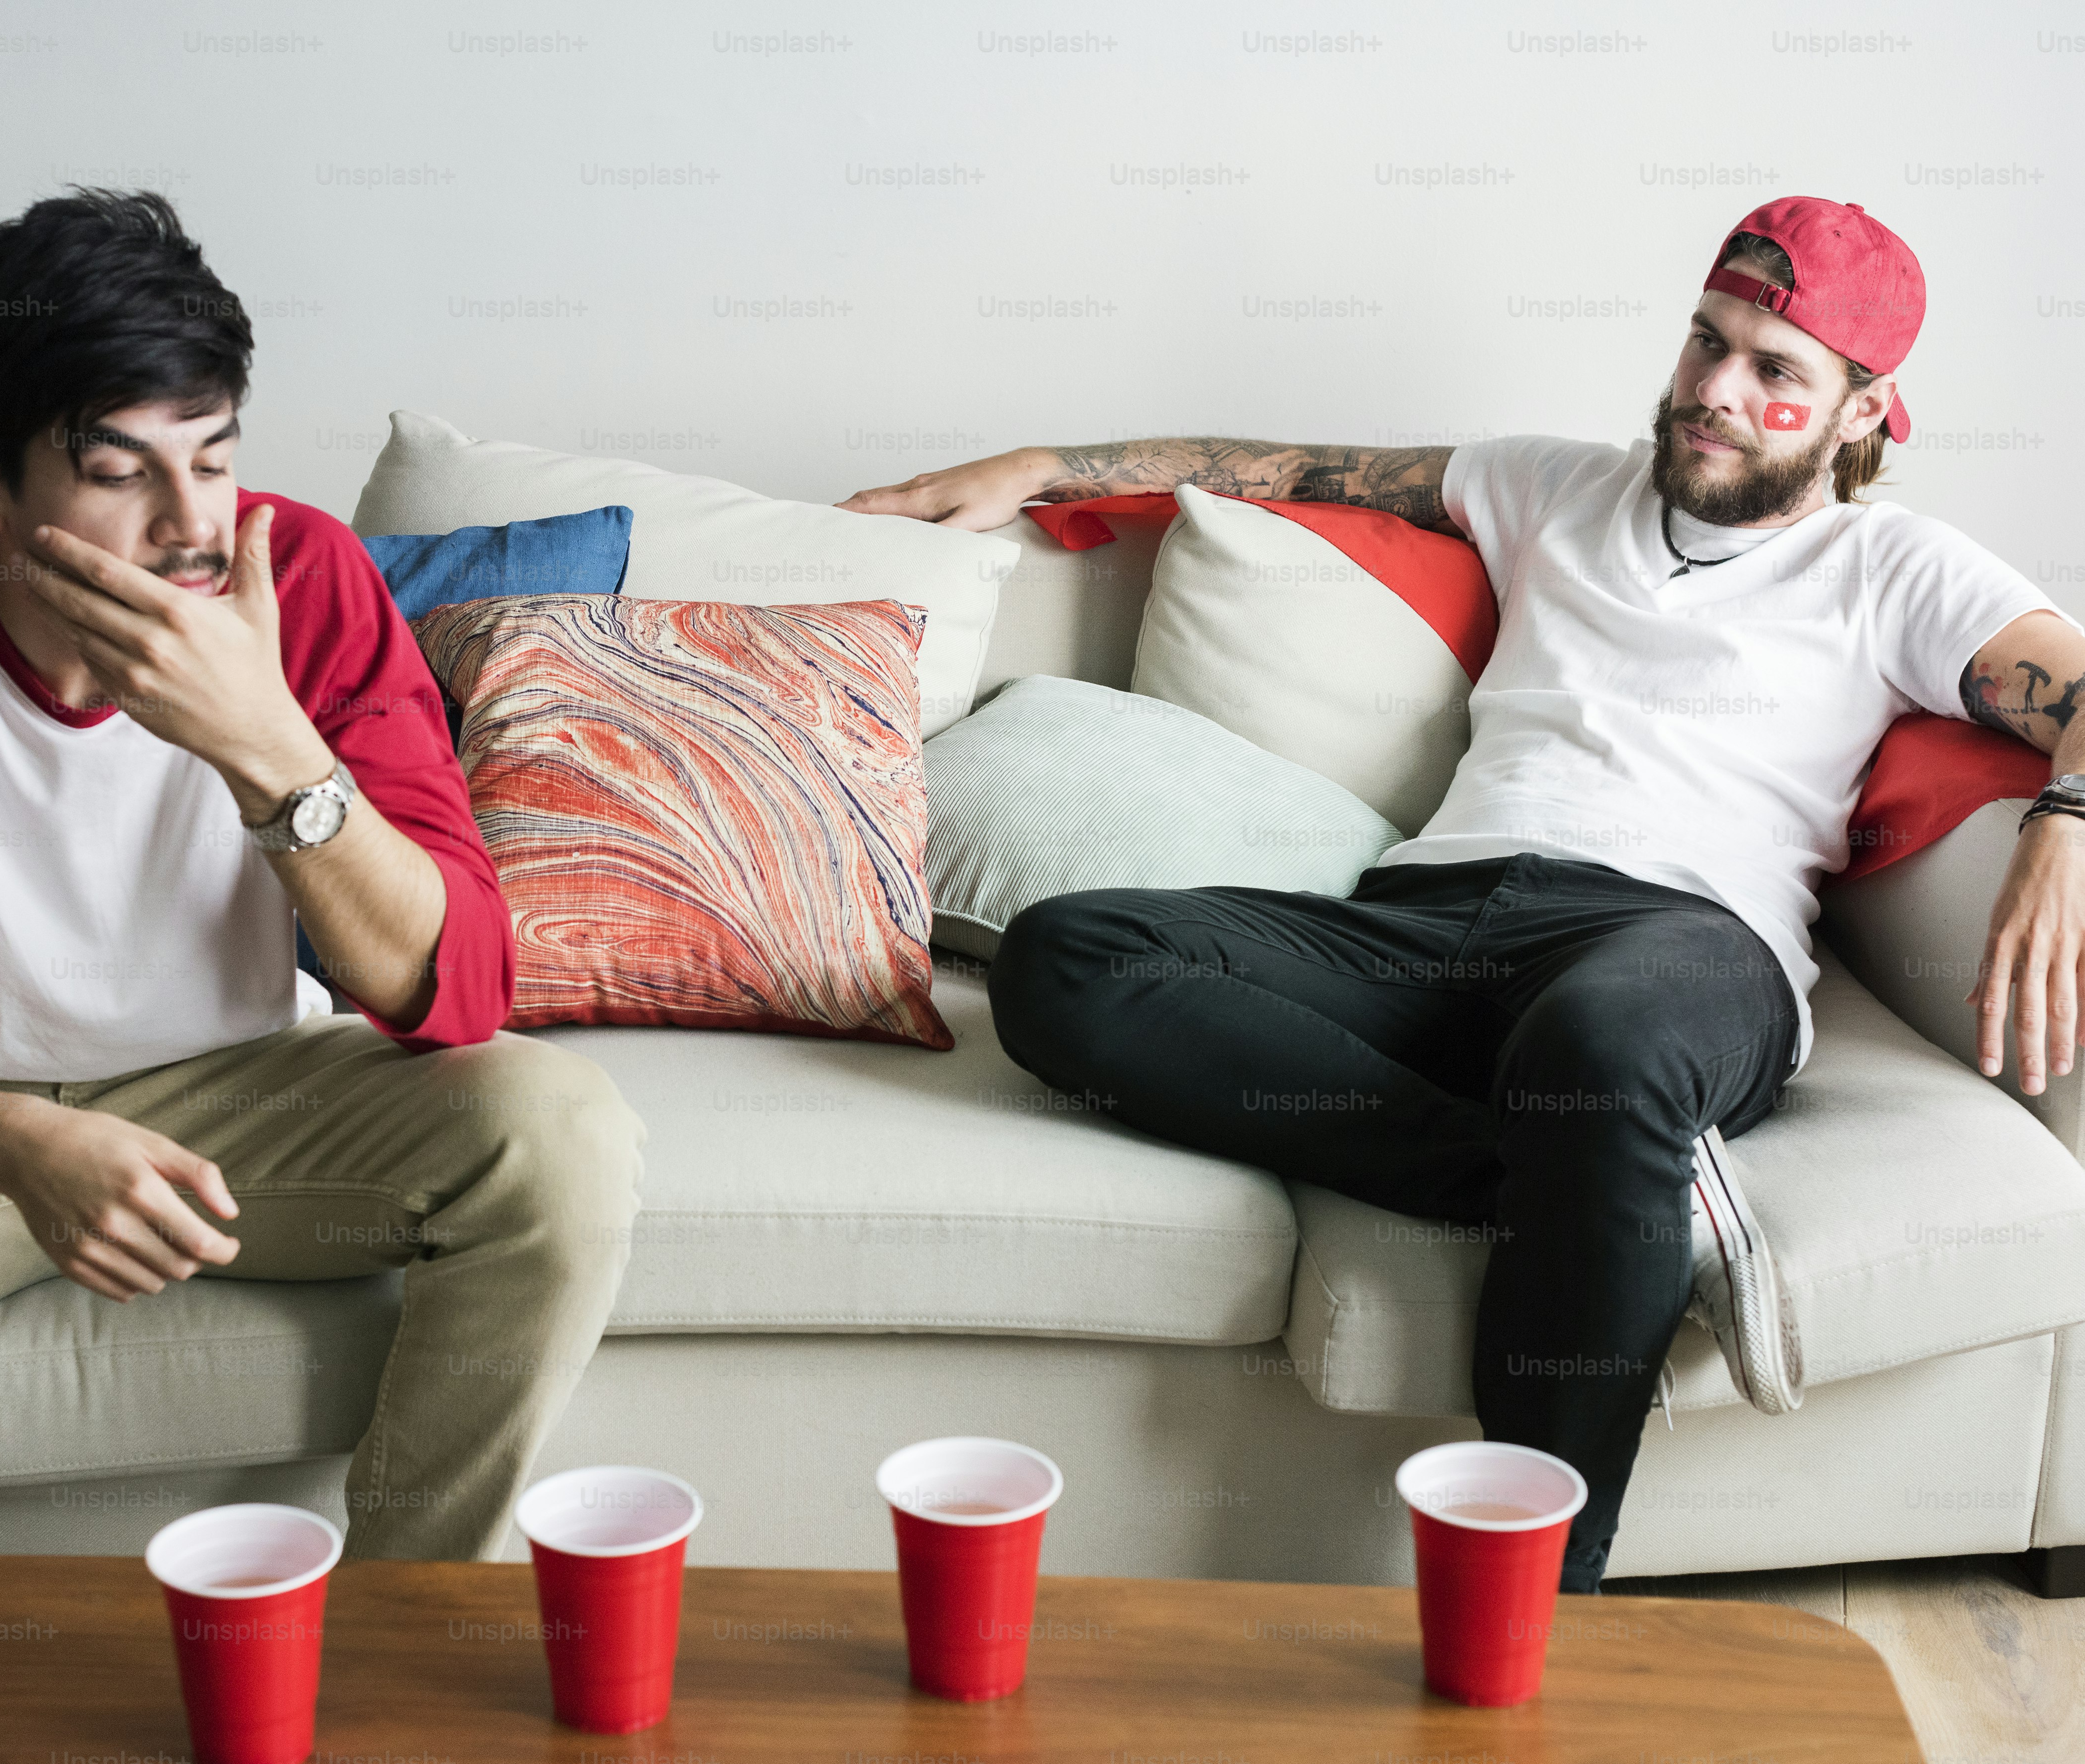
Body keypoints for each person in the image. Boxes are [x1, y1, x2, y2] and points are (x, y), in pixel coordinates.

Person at [842, 195, 2085, 1591]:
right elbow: (1299, 466)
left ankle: (1538, 1605)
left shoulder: (1890, 565)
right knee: (1071, 957)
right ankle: (1572, 1174)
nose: (1714, 393)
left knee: (1602, 1053)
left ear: (1865, 414)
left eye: (1774, 370)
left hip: (1676, 945)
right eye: (1706, 341)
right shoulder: (1557, 485)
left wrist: (2064, 824)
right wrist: (1044, 463)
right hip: (1427, 927)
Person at [0, 189, 646, 1558]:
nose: (191, 524)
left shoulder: (306, 582)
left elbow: (458, 992)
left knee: (560, 1132)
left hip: (239, 1099)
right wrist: (11, 1142)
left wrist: (271, 750)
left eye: (212, 459)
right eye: (120, 473)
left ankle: (400, 1647)